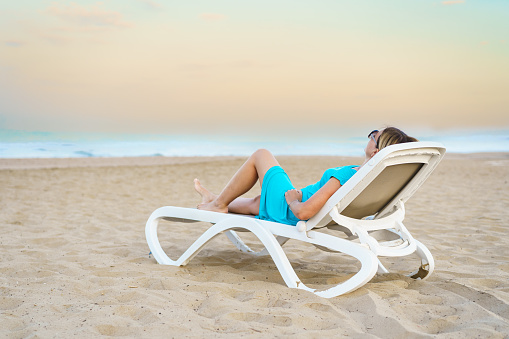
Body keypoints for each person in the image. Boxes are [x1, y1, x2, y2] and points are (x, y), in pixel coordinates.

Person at [194, 127, 418, 226]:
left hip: (291, 210)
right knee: (256, 202)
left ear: (376, 151)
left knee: (261, 155)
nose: (370, 136)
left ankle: (219, 203)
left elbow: (304, 212)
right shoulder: (372, 180)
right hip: (300, 204)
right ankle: (215, 199)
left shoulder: (348, 176)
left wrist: (293, 199)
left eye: (374, 135)